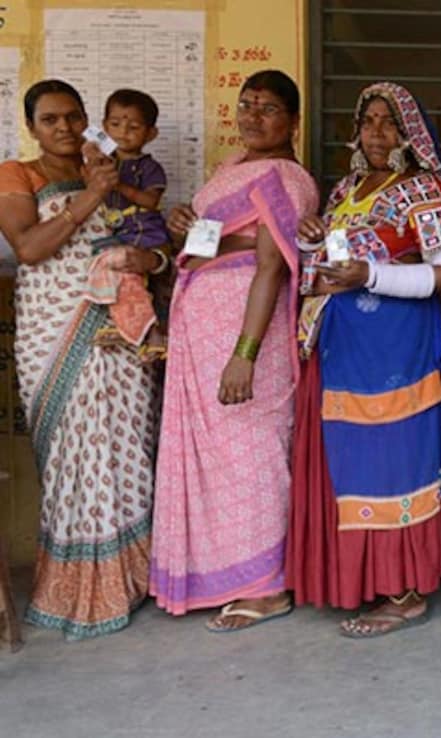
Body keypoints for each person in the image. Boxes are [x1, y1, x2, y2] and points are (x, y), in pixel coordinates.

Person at [285, 82, 441, 636]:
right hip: (342, 345)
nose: (376, 132)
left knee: (395, 462)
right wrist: (311, 243)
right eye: (368, 120)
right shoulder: (342, 190)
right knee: (348, 463)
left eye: (389, 122)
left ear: (409, 134)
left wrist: (371, 276)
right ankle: (356, 583)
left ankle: (405, 591)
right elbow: (327, 266)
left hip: (395, 349)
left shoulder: (422, 190)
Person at [151, 70, 319, 631]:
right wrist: (185, 226)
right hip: (201, 337)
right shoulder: (229, 169)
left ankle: (267, 586)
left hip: (249, 337)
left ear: (293, 121)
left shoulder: (287, 178)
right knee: (213, 462)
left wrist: (245, 351)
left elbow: (271, 263)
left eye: (268, 108)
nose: (252, 116)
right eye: (246, 105)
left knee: (253, 456)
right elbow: (212, 238)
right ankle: (220, 574)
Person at [0, 79, 162, 639]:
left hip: (116, 330)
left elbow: (150, 231)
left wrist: (155, 258)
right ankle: (76, 589)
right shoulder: (16, 175)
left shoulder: (114, 164)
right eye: (50, 120)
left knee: (127, 445)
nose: (64, 128)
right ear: (32, 127)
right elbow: (28, 247)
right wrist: (90, 196)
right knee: (76, 451)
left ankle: (132, 581)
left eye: (73, 117)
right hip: (54, 332)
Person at [83, 88, 170, 361]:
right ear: (105, 125)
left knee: (136, 278)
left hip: (144, 233)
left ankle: (152, 332)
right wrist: (90, 156)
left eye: (133, 127)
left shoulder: (150, 167)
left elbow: (151, 201)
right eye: (115, 125)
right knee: (116, 277)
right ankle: (126, 325)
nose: (123, 132)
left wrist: (119, 185)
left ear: (150, 134)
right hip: (117, 233)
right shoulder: (106, 159)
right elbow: (86, 182)